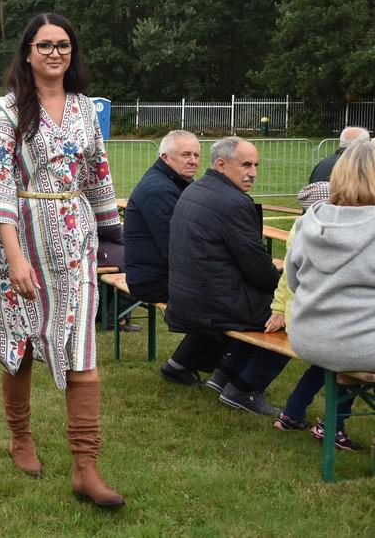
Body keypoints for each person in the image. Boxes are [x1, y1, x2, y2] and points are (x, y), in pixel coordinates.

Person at [0, 12, 124, 508]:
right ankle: (21, 436)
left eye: (63, 45)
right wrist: (14, 257)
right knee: (22, 345)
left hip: (74, 242)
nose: (55, 53)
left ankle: (86, 466)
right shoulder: (4, 112)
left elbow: (96, 170)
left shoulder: (84, 109)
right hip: (22, 241)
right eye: (45, 45)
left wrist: (108, 232)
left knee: (81, 347)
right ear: (28, 52)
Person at [165, 137, 289, 415]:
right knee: (293, 315)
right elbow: (256, 267)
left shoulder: (195, 189)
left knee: (269, 306)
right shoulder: (233, 203)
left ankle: (223, 376)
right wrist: (284, 290)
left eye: (256, 165)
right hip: (211, 302)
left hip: (187, 295)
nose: (253, 172)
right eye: (246, 164)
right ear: (221, 164)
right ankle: (243, 388)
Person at [280, 139, 375, 448]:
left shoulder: (310, 219)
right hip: (358, 343)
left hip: (311, 336)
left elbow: (294, 283)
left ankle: (319, 419)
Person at [122, 130, 201, 380]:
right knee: (227, 300)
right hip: (152, 279)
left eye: (197, 155)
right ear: (166, 157)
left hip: (158, 272)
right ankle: (233, 376)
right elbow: (174, 248)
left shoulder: (173, 183)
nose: (193, 160)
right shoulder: (160, 190)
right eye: (185, 155)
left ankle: (190, 365)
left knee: (229, 294)